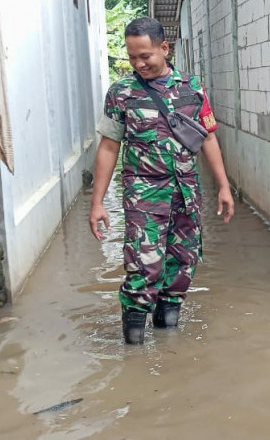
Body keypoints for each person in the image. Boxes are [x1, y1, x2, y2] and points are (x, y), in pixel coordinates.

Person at [89, 17, 234, 345]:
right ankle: (134, 347)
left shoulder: (191, 87)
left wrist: (223, 186)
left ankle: (169, 339)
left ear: (164, 49)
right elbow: (109, 146)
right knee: (143, 265)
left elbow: (207, 138)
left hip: (186, 191)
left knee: (182, 263)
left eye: (146, 56)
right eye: (132, 57)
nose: (139, 63)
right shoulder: (121, 93)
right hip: (143, 192)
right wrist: (97, 202)